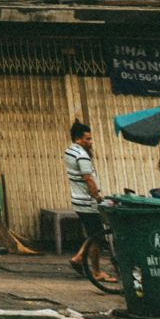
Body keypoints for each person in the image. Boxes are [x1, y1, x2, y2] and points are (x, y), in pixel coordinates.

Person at [63, 120, 108, 280]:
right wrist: (97, 197)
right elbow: (88, 179)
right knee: (96, 237)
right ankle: (96, 272)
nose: (90, 142)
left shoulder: (70, 151)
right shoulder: (82, 156)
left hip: (78, 200)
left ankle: (78, 258)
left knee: (92, 234)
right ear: (78, 139)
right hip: (87, 202)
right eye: (87, 139)